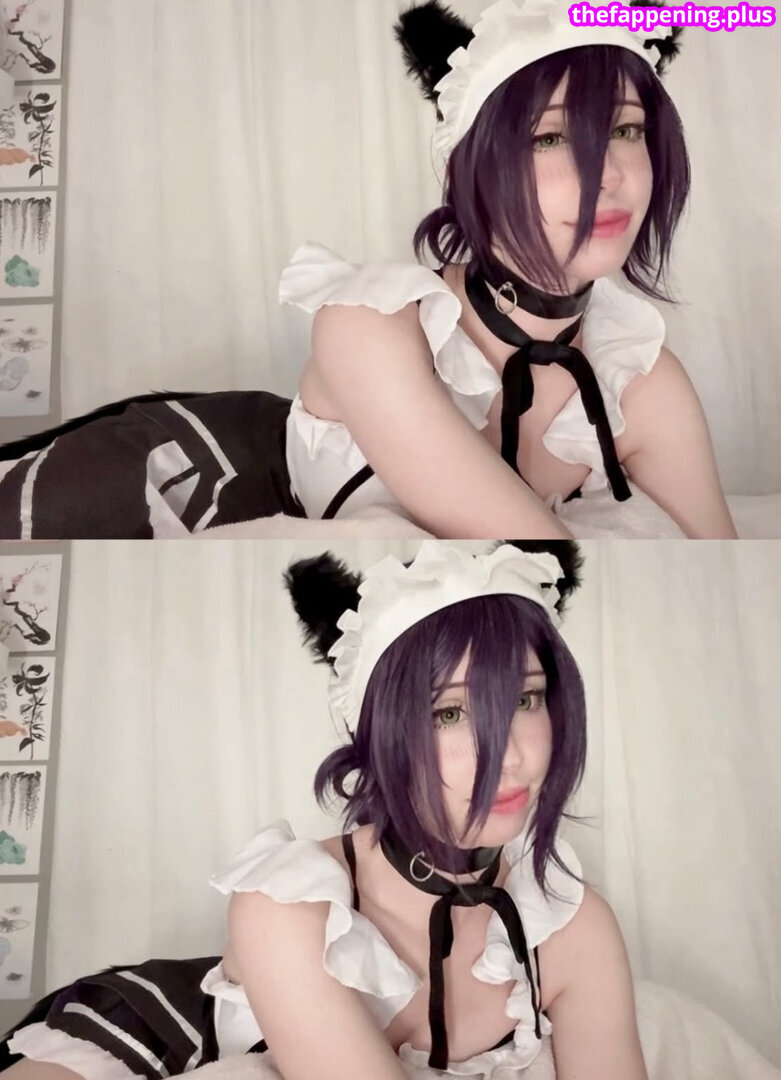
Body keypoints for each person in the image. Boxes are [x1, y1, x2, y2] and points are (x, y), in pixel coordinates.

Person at [0, 0, 737, 540]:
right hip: (187, 461)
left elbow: (723, 583)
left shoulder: (643, 382)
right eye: (550, 138)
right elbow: (537, 555)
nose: (608, 173)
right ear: (475, 167)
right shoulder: (370, 321)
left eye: (627, 128)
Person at [0, 541, 650, 1080]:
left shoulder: (574, 927)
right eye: (450, 712)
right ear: (381, 732)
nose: (508, 755)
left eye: (525, 700)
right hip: (152, 1033)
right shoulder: (286, 904)